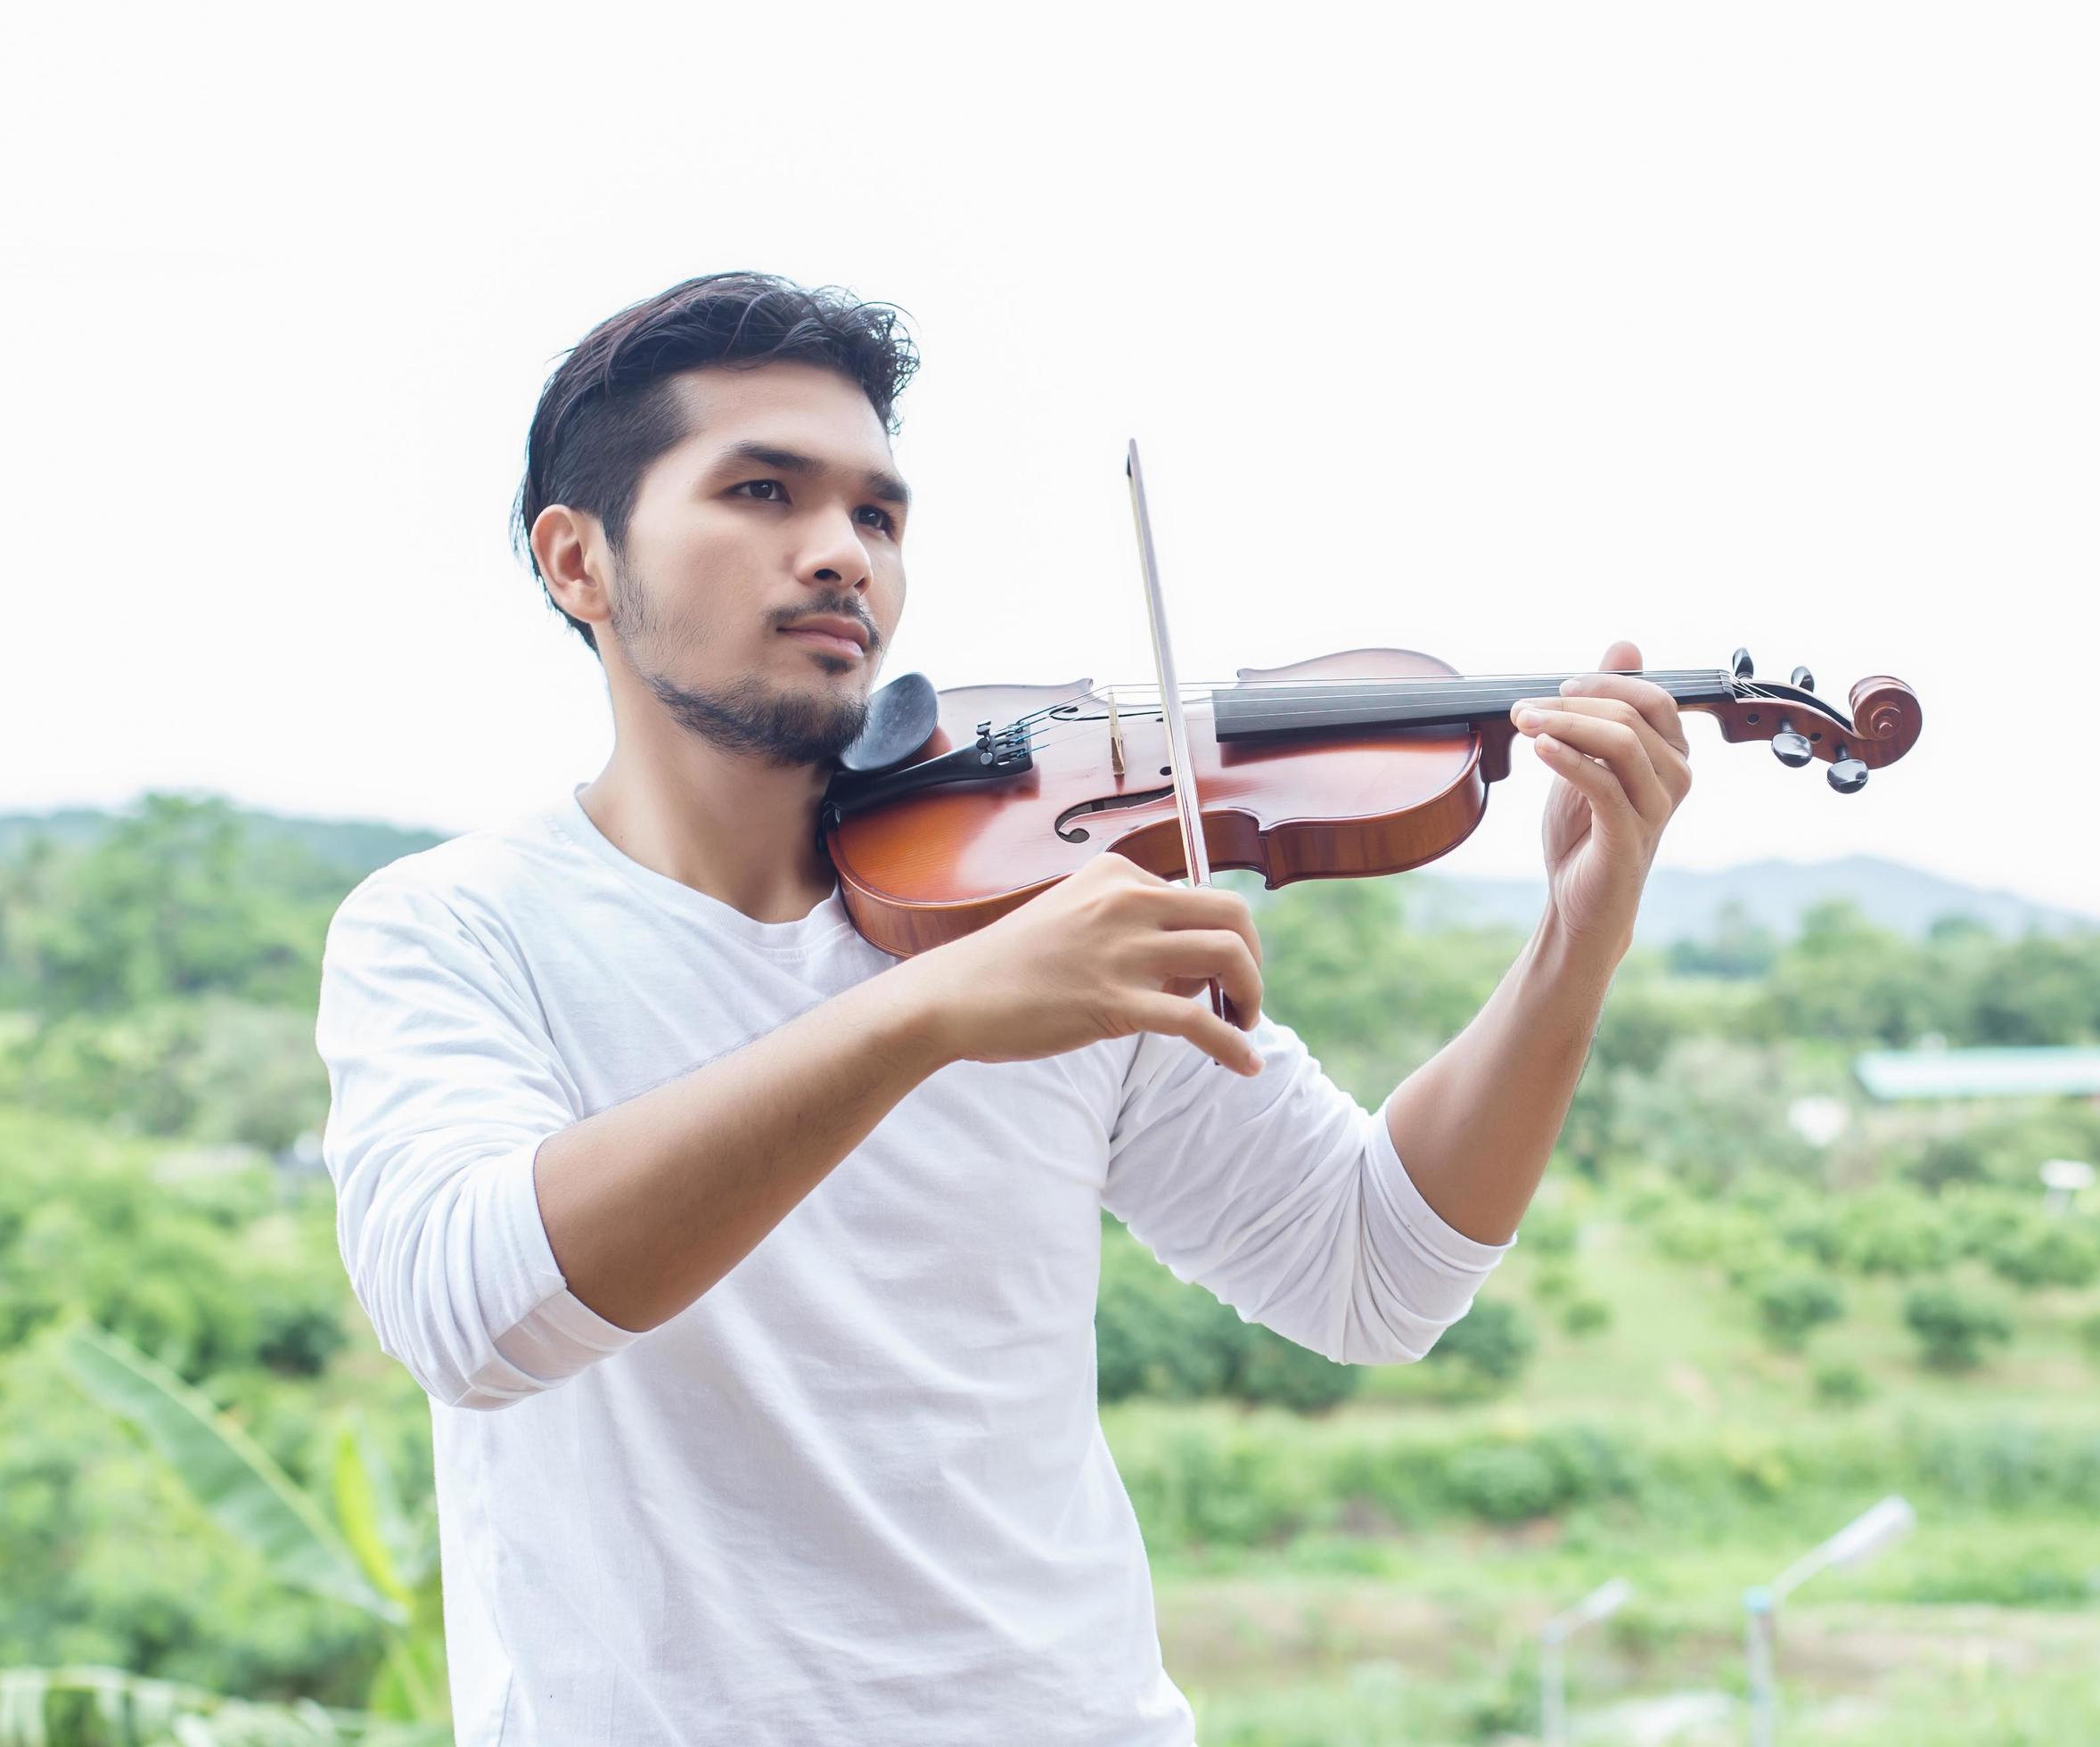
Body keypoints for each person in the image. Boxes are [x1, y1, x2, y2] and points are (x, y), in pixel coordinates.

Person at [315, 271, 1696, 1744]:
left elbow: (1374, 1271)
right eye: (763, 493)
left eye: (877, 514)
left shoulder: (1045, 907)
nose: (839, 552)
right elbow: (473, 1313)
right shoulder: (453, 928)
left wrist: (1574, 942)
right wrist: (925, 1016)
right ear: (578, 560)